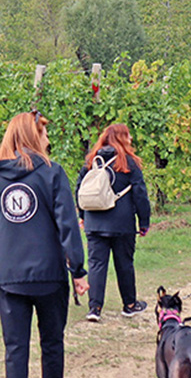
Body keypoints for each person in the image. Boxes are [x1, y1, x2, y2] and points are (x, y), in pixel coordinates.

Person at [0, 112, 89, 378]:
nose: (48, 139)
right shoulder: (53, 173)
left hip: (9, 278)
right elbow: (68, 224)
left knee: (15, 349)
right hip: (49, 276)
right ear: (33, 136)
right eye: (44, 133)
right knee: (52, 345)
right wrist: (77, 269)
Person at [77, 122, 151, 321]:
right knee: (124, 264)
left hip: (94, 222)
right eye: (128, 135)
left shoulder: (92, 160)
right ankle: (129, 304)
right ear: (121, 138)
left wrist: (83, 216)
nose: (131, 139)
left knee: (96, 265)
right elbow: (140, 193)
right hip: (122, 223)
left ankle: (94, 309)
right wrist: (144, 221)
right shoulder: (128, 162)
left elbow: (80, 188)